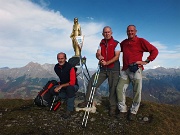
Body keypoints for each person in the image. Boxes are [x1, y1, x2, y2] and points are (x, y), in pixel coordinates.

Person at [116, 25, 158, 121]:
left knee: (137, 91)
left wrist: (146, 61)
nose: (130, 32)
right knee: (119, 88)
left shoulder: (141, 41)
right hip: (125, 70)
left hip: (136, 70)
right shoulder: (124, 43)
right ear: (126, 32)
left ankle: (133, 111)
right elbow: (116, 49)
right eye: (128, 31)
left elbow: (154, 50)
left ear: (135, 31)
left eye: (132, 31)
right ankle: (122, 110)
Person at [78, 26, 121, 116]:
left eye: (108, 32)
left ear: (111, 33)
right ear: (102, 34)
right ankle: (87, 101)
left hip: (113, 69)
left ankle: (113, 107)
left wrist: (107, 62)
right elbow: (98, 53)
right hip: (103, 69)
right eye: (105, 32)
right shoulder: (101, 43)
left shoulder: (116, 43)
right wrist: (99, 57)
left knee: (112, 88)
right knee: (92, 82)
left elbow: (117, 57)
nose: (107, 34)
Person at [52, 52, 79, 119]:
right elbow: (62, 78)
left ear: (65, 59)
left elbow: (72, 82)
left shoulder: (70, 67)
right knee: (52, 89)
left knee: (70, 89)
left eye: (62, 58)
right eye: (59, 58)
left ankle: (69, 110)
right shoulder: (56, 67)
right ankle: (66, 97)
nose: (60, 60)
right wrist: (58, 86)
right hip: (64, 86)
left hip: (73, 86)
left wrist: (60, 86)